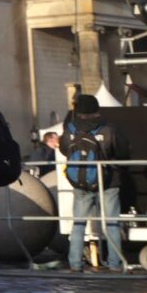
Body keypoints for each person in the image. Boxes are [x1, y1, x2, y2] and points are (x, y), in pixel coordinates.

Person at [54, 91, 123, 271]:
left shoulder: (70, 130)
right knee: (112, 224)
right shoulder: (108, 129)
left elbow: (64, 149)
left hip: (81, 182)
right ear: (97, 109)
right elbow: (122, 151)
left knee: (78, 224)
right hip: (108, 181)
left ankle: (75, 264)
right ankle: (115, 264)